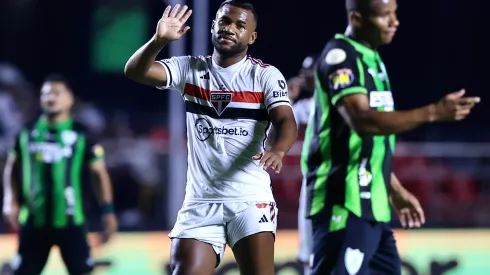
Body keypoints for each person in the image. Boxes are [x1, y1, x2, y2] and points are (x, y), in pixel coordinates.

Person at [301, 0, 481, 274]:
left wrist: (392, 189)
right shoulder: (340, 57)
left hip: (372, 206)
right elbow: (363, 121)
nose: (394, 22)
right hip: (344, 201)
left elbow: (369, 144)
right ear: (357, 18)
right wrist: (433, 112)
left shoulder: (373, 59)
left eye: (395, 14)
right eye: (385, 16)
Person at [124, 1, 297, 275]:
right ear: (213, 26)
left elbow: (286, 120)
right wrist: (158, 41)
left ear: (251, 37)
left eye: (240, 25)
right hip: (200, 203)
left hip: (249, 200)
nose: (230, 28)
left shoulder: (264, 75)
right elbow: (135, 71)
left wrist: (278, 149)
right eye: (224, 21)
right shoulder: (190, 69)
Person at [2, 74, 118, 275]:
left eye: (56, 93)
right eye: (45, 93)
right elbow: (12, 166)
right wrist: (9, 199)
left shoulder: (82, 134)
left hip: (72, 221)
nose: (50, 98)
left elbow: (99, 174)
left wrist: (107, 211)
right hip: (32, 221)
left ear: (70, 99)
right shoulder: (26, 132)